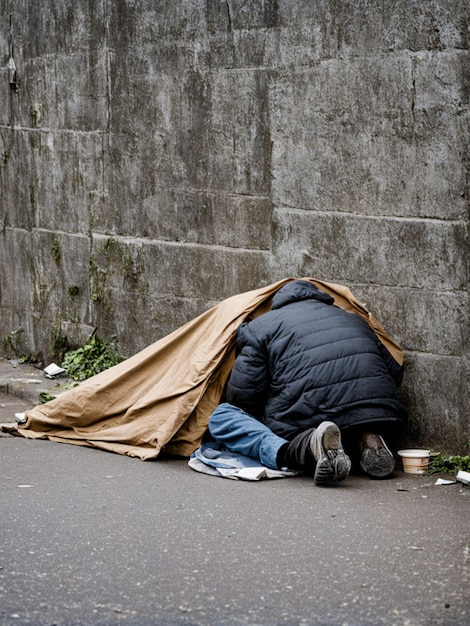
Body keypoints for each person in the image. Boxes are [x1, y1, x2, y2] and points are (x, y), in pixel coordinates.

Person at [207, 280, 408, 485]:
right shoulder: (355, 320)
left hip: (304, 417)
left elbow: (244, 395)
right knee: (348, 418)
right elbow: (394, 371)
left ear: (280, 303)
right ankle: (368, 436)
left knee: (222, 416)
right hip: (379, 412)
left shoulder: (261, 326)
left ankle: (305, 448)